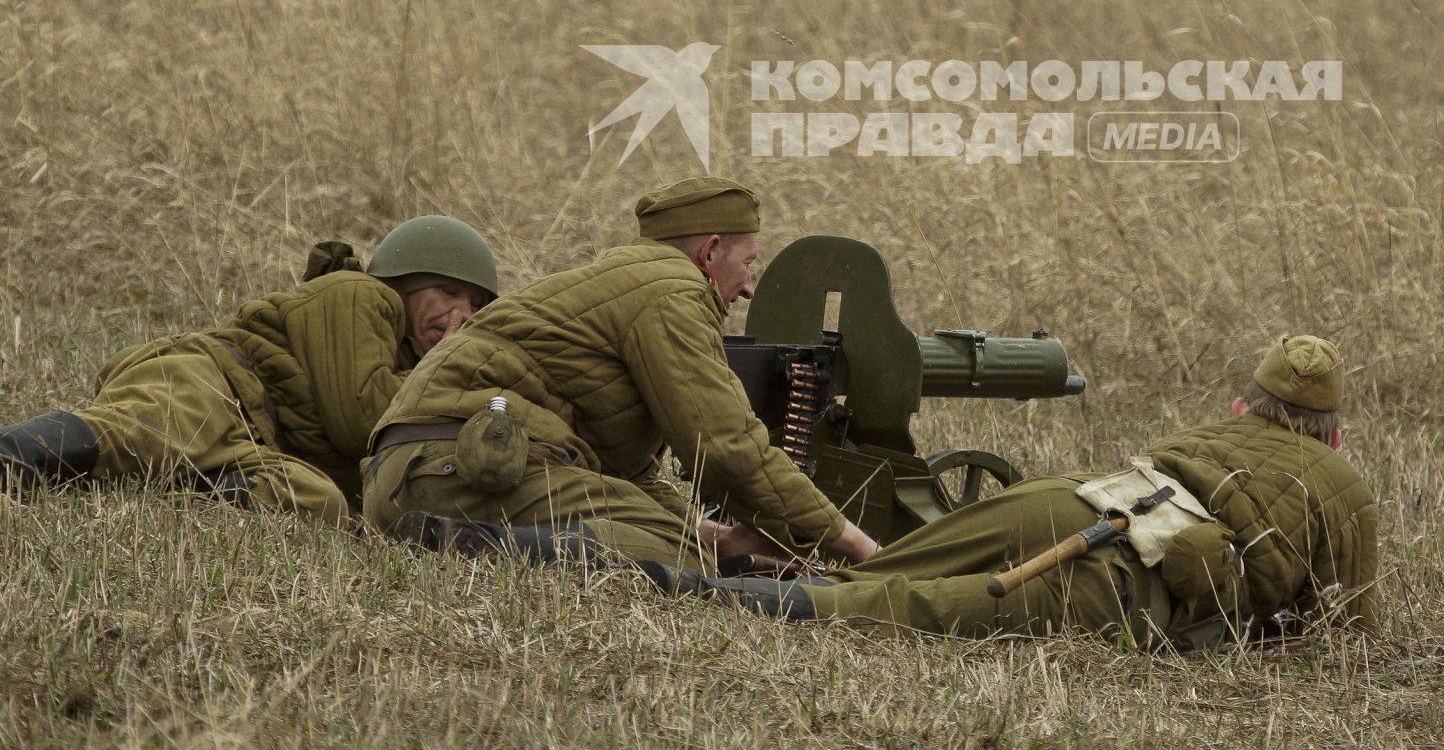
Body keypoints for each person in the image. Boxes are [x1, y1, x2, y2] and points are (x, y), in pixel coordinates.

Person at [646, 333, 1378, 649]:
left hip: (1062, 500)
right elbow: (1347, 631)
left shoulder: (1214, 433)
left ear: (1243, 409)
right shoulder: (1344, 485)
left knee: (886, 570)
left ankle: (730, 571)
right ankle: (764, 599)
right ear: (1335, 437)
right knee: (919, 609)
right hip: (1123, 579)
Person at [364, 176, 881, 569]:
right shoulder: (673, 290)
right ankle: (482, 545)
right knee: (683, 571)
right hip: (461, 467)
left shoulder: (623, 280)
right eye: (749, 264)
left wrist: (706, 534)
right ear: (710, 251)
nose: (748, 289)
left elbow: (625, 476)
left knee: (700, 553)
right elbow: (725, 447)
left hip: (410, 477)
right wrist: (853, 544)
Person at [0, 215, 498, 526]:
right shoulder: (359, 294)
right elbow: (358, 418)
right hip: (210, 378)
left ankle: (156, 487)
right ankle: (11, 456)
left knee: (319, 503)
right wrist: (450, 375)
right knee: (144, 431)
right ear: (403, 282)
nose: (461, 314)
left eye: (475, 305)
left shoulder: (409, 366)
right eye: (450, 292)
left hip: (253, 440)